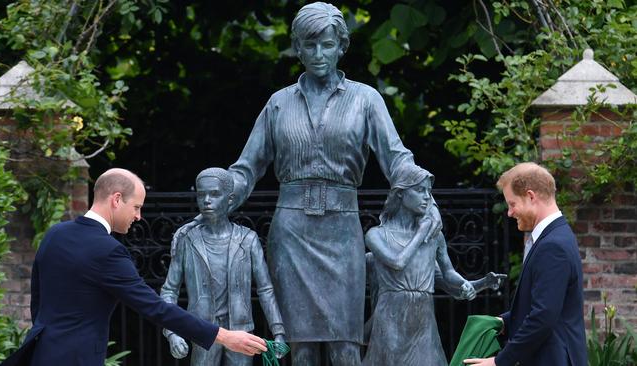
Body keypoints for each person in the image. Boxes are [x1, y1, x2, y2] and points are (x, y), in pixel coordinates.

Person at [176, 3, 441, 365]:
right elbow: (247, 168)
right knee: (299, 347)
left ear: (341, 47)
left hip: (342, 228)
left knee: (346, 345)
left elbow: (397, 159)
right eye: (309, 45)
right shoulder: (278, 104)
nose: (318, 54)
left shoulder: (366, 100)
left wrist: (424, 196)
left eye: (327, 45)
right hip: (292, 234)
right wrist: (219, 198)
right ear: (297, 48)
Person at [0, 168, 266, 366]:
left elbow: (38, 301)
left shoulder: (55, 234)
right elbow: (156, 307)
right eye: (136, 206)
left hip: (40, 355)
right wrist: (224, 336)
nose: (138, 216)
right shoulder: (108, 251)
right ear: (116, 199)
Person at [464, 162, 587, 366]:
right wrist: (504, 322)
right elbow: (546, 306)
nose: (510, 213)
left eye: (512, 204)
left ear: (531, 196)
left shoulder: (553, 245)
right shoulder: (555, 237)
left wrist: (499, 362)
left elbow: (543, 317)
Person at [161, 168, 286, 365]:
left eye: (215, 194)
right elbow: (169, 291)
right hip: (202, 331)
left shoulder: (248, 240)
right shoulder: (187, 240)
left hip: (241, 331)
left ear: (230, 199)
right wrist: (172, 333)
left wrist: (278, 331)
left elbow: (265, 289)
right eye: (201, 194)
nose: (207, 200)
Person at [362, 165, 476, 365]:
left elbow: (447, 272)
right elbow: (397, 262)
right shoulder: (377, 235)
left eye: (429, 192)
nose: (427, 197)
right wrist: (421, 233)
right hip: (391, 316)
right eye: (420, 190)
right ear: (400, 194)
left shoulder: (435, 236)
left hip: (423, 316)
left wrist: (463, 283)